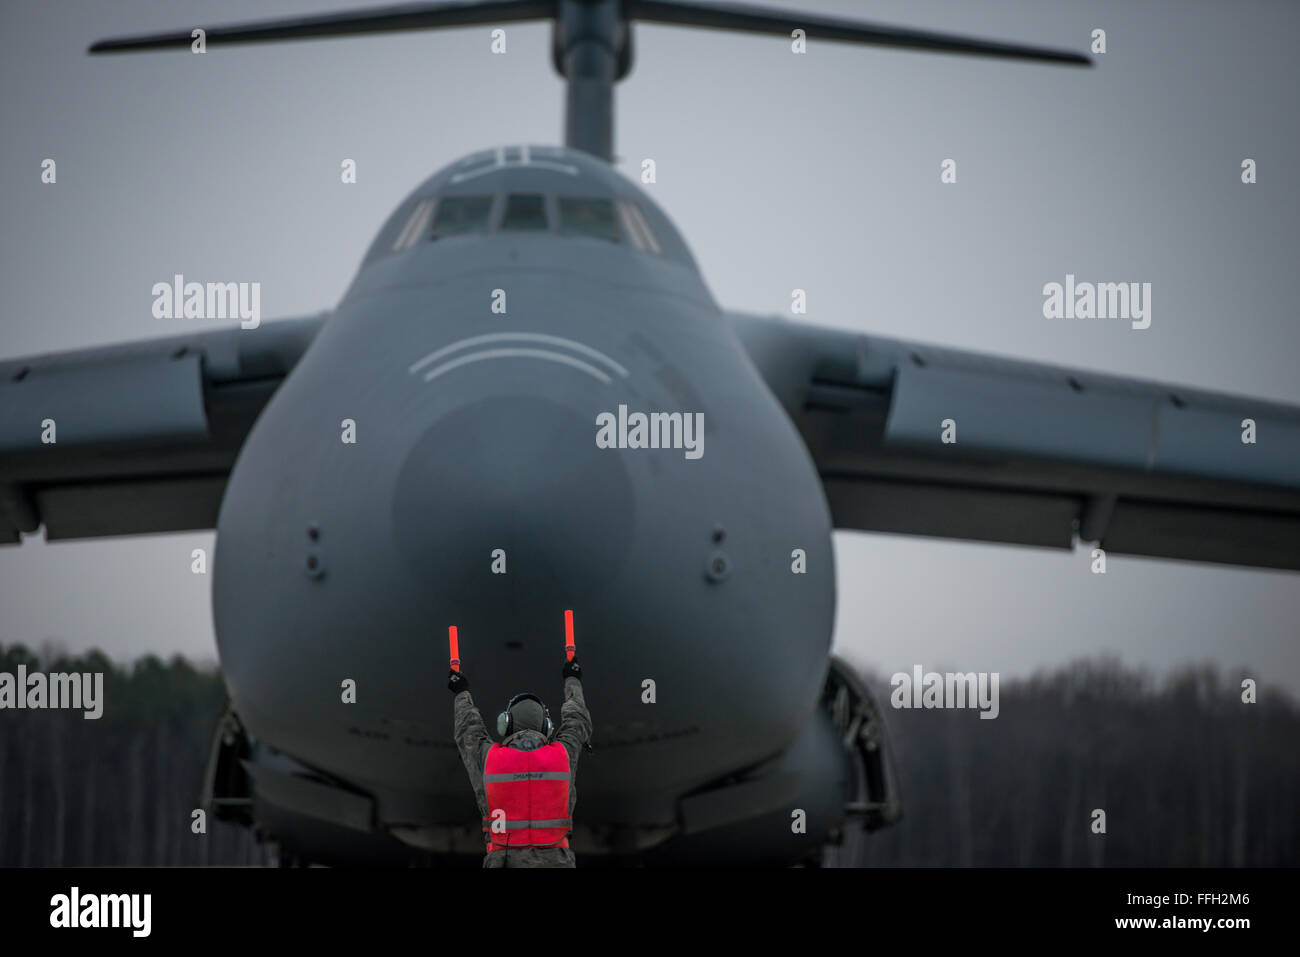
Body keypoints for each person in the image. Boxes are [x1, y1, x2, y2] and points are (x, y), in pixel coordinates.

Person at [448, 653, 591, 867]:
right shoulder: (562, 755)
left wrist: (461, 692)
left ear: (505, 725)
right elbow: (577, 720)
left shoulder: (491, 760)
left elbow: (468, 729)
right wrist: (572, 679)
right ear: (546, 727)